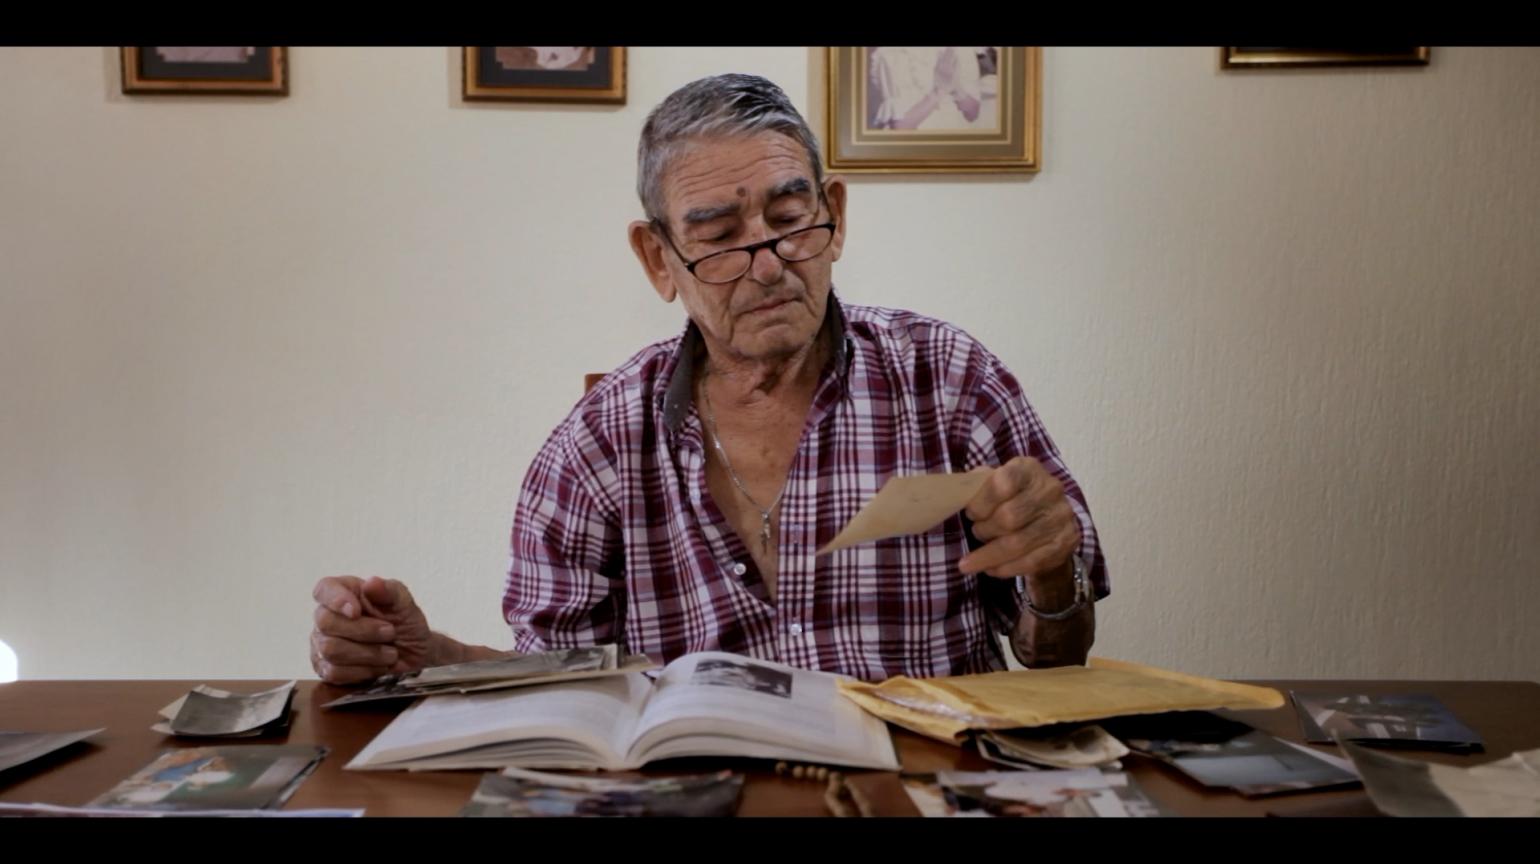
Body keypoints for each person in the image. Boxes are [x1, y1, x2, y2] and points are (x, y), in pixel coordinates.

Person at [310, 73, 1108, 686]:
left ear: (833, 215)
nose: (768, 265)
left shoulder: (949, 379)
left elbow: (1058, 657)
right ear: (659, 259)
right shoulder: (600, 442)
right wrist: (427, 657)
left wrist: (1051, 567)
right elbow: (559, 681)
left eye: (789, 220)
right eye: (721, 237)